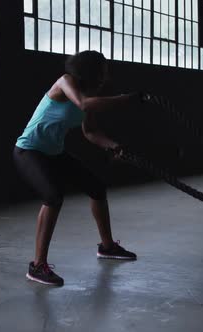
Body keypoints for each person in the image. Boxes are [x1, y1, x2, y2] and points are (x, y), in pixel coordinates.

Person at [13, 50, 142, 286]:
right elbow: (83, 103)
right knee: (52, 196)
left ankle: (107, 246)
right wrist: (126, 99)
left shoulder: (90, 96)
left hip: (54, 153)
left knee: (97, 188)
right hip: (29, 150)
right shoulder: (65, 82)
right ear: (89, 71)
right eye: (102, 72)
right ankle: (37, 266)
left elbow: (90, 132)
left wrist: (114, 146)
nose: (105, 77)